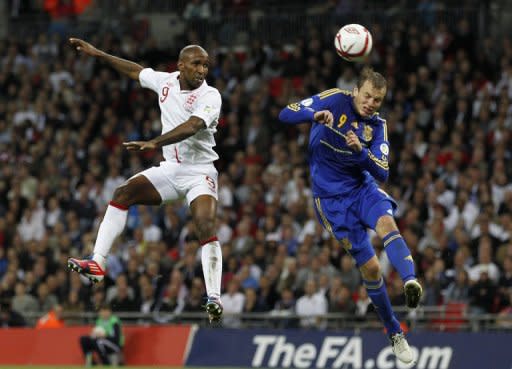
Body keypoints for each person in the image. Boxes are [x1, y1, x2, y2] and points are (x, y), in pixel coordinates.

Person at [67, 38, 224, 322]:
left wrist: (154, 141)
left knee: (204, 224)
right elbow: (134, 71)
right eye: (197, 64)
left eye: (206, 65)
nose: (202, 69)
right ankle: (97, 264)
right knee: (122, 193)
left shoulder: (211, 96)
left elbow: (193, 126)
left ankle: (213, 297)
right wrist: (98, 52)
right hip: (171, 169)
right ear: (181, 66)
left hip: (200, 172)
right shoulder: (165, 81)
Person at [278, 67, 422, 364]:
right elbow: (285, 114)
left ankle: (410, 281)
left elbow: (382, 172)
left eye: (378, 100)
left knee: (386, 223)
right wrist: (312, 116)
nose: (371, 103)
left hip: (362, 189)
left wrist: (360, 152)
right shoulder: (332, 99)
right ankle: (394, 331)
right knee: (370, 269)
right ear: (355, 91)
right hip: (331, 202)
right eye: (367, 95)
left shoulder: (377, 126)